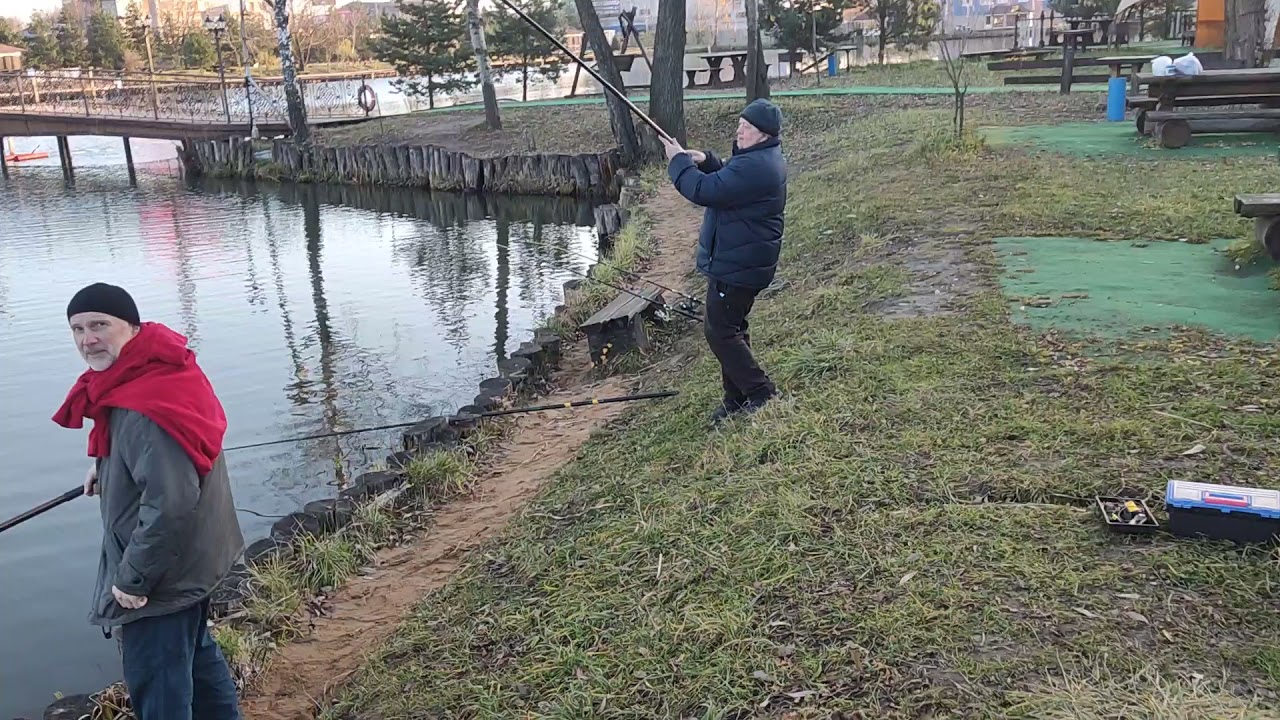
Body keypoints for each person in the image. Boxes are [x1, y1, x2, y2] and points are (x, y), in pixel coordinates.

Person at [52, 282, 245, 720]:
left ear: (132, 327)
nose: (88, 340)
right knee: (196, 660)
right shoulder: (158, 372)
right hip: (194, 558)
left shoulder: (145, 407)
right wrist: (109, 468)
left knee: (158, 686)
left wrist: (133, 581)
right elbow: (165, 464)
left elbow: (170, 503)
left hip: (161, 576)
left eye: (100, 325)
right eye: (78, 329)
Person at [661, 98, 788, 424]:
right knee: (731, 328)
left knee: (720, 332)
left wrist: (678, 162)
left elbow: (703, 191)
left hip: (738, 265)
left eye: (746, 128)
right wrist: (705, 160)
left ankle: (761, 392)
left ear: (763, 134)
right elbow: (727, 180)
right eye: (740, 125)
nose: (739, 132)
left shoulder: (755, 165)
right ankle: (737, 397)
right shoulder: (759, 158)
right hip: (742, 261)